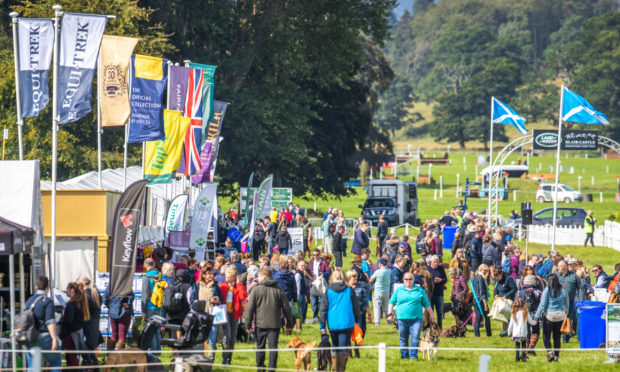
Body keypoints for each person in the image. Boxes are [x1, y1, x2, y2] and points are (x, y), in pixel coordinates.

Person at [245, 268, 294, 372]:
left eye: (258, 276)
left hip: (260, 324)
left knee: (260, 346)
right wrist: (289, 324)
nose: (257, 278)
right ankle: (272, 369)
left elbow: (249, 309)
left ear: (263, 277)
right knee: (273, 347)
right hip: (274, 324)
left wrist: (248, 325)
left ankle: (260, 367)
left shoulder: (256, 290)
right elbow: (287, 309)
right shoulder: (278, 290)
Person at [319, 268, 360, 371]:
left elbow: (323, 308)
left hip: (333, 323)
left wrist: (322, 325)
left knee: (335, 346)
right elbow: (356, 307)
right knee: (343, 347)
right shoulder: (349, 289)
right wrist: (356, 319)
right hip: (347, 322)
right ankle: (340, 369)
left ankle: (335, 367)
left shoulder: (328, 291)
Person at [387, 272, 434, 360]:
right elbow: (391, 302)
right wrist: (389, 314)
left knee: (415, 337)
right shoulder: (399, 290)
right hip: (401, 318)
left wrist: (431, 313)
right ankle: (404, 356)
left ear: (413, 280)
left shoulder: (419, 290)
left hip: (416, 319)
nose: (408, 281)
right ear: (403, 280)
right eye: (406, 279)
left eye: (410, 279)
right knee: (403, 338)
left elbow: (426, 303)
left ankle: (413, 356)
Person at [25, 276, 61, 372]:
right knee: (55, 362)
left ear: (36, 287)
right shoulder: (48, 301)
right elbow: (50, 322)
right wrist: (54, 339)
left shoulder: (29, 301)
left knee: (32, 366)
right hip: (44, 337)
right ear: (48, 287)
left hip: (30, 338)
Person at [535, 274, 568, 362]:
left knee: (546, 336)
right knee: (557, 337)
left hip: (549, 315)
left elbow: (542, 304)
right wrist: (566, 314)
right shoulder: (563, 290)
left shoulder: (547, 290)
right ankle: (556, 356)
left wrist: (537, 316)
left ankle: (550, 353)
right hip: (560, 316)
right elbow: (566, 303)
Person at [219, 266, 248, 365]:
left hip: (235, 314)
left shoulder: (238, 286)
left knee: (232, 337)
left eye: (230, 277)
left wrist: (239, 283)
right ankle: (224, 358)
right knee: (227, 336)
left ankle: (228, 359)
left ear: (235, 277)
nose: (227, 278)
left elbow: (243, 296)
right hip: (225, 313)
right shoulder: (222, 286)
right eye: (226, 276)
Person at [193, 266, 222, 355]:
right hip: (200, 315)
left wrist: (217, 300)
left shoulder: (215, 286)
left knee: (212, 338)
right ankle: (200, 356)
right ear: (204, 275)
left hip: (212, 314)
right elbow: (193, 299)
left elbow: (220, 299)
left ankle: (211, 358)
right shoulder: (197, 285)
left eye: (212, 274)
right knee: (201, 337)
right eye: (209, 274)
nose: (211, 275)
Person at [61, 282, 90, 367]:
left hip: (71, 333)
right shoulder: (80, 302)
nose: (67, 291)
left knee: (72, 356)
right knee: (71, 356)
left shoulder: (71, 304)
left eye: (68, 289)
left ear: (72, 290)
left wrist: (61, 322)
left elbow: (69, 320)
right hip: (78, 331)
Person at [76, 275, 102, 360]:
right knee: (90, 355)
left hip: (87, 328)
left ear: (81, 285)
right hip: (94, 327)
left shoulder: (86, 296)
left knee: (88, 356)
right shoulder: (95, 293)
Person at [516, 275, 542, 355]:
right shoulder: (538, 291)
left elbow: (515, 303)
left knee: (525, 331)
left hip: (523, 314)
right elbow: (542, 304)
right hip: (535, 314)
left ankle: (526, 349)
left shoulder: (520, 292)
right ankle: (531, 347)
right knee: (536, 331)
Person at [141, 258, 163, 351]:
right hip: (160, 305)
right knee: (157, 329)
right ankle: (158, 350)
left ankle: (154, 352)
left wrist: (143, 310)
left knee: (151, 330)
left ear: (145, 266)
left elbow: (145, 295)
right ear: (154, 265)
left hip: (150, 306)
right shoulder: (161, 276)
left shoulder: (146, 277)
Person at [346, 270, 368, 358]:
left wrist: (368, 313)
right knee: (347, 333)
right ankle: (349, 352)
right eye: (353, 276)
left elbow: (365, 301)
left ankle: (357, 350)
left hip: (359, 314)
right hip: (347, 314)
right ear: (348, 278)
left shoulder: (360, 287)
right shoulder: (345, 288)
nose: (355, 278)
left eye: (356, 276)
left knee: (359, 333)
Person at [104, 286, 133, 351]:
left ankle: (110, 358)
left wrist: (111, 307)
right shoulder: (126, 284)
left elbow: (105, 300)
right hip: (124, 313)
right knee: (122, 336)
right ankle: (120, 359)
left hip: (113, 313)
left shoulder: (110, 285)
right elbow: (130, 299)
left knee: (113, 335)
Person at [557, 260, 580, 342]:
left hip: (569, 301)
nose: (558, 267)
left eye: (560, 266)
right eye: (558, 266)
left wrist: (581, 299)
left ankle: (565, 338)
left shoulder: (574, 276)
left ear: (565, 267)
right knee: (559, 319)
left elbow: (580, 287)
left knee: (567, 319)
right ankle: (557, 337)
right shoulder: (556, 276)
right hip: (558, 302)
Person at [494, 267, 517, 337]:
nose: (497, 278)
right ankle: (505, 331)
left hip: (509, 300)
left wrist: (506, 295)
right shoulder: (497, 280)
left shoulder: (508, 279)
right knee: (504, 317)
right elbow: (496, 288)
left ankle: (511, 331)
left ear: (501, 274)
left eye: (498, 277)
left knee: (509, 317)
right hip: (501, 300)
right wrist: (495, 294)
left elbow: (514, 289)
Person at [309, 249, 331, 320]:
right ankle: (315, 317)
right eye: (314, 255)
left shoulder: (324, 262)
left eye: (317, 255)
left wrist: (323, 274)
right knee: (314, 303)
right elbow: (309, 271)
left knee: (322, 302)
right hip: (313, 284)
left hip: (322, 284)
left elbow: (329, 272)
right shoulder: (311, 262)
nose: (315, 256)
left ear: (320, 254)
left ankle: (322, 316)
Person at [427, 255, 447, 329]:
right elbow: (426, 280)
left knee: (440, 312)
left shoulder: (441, 268)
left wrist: (441, 280)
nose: (436, 264)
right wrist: (433, 280)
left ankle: (439, 326)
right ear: (431, 262)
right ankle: (431, 326)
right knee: (430, 311)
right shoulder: (428, 269)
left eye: (437, 262)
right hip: (431, 293)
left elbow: (445, 279)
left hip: (439, 293)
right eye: (434, 262)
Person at [472, 264, 492, 337]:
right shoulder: (480, 278)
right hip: (479, 301)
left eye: (487, 271)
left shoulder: (478, 277)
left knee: (482, 317)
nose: (486, 272)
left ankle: (488, 334)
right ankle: (477, 334)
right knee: (479, 317)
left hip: (477, 300)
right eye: (484, 270)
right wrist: (485, 304)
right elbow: (481, 292)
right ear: (480, 270)